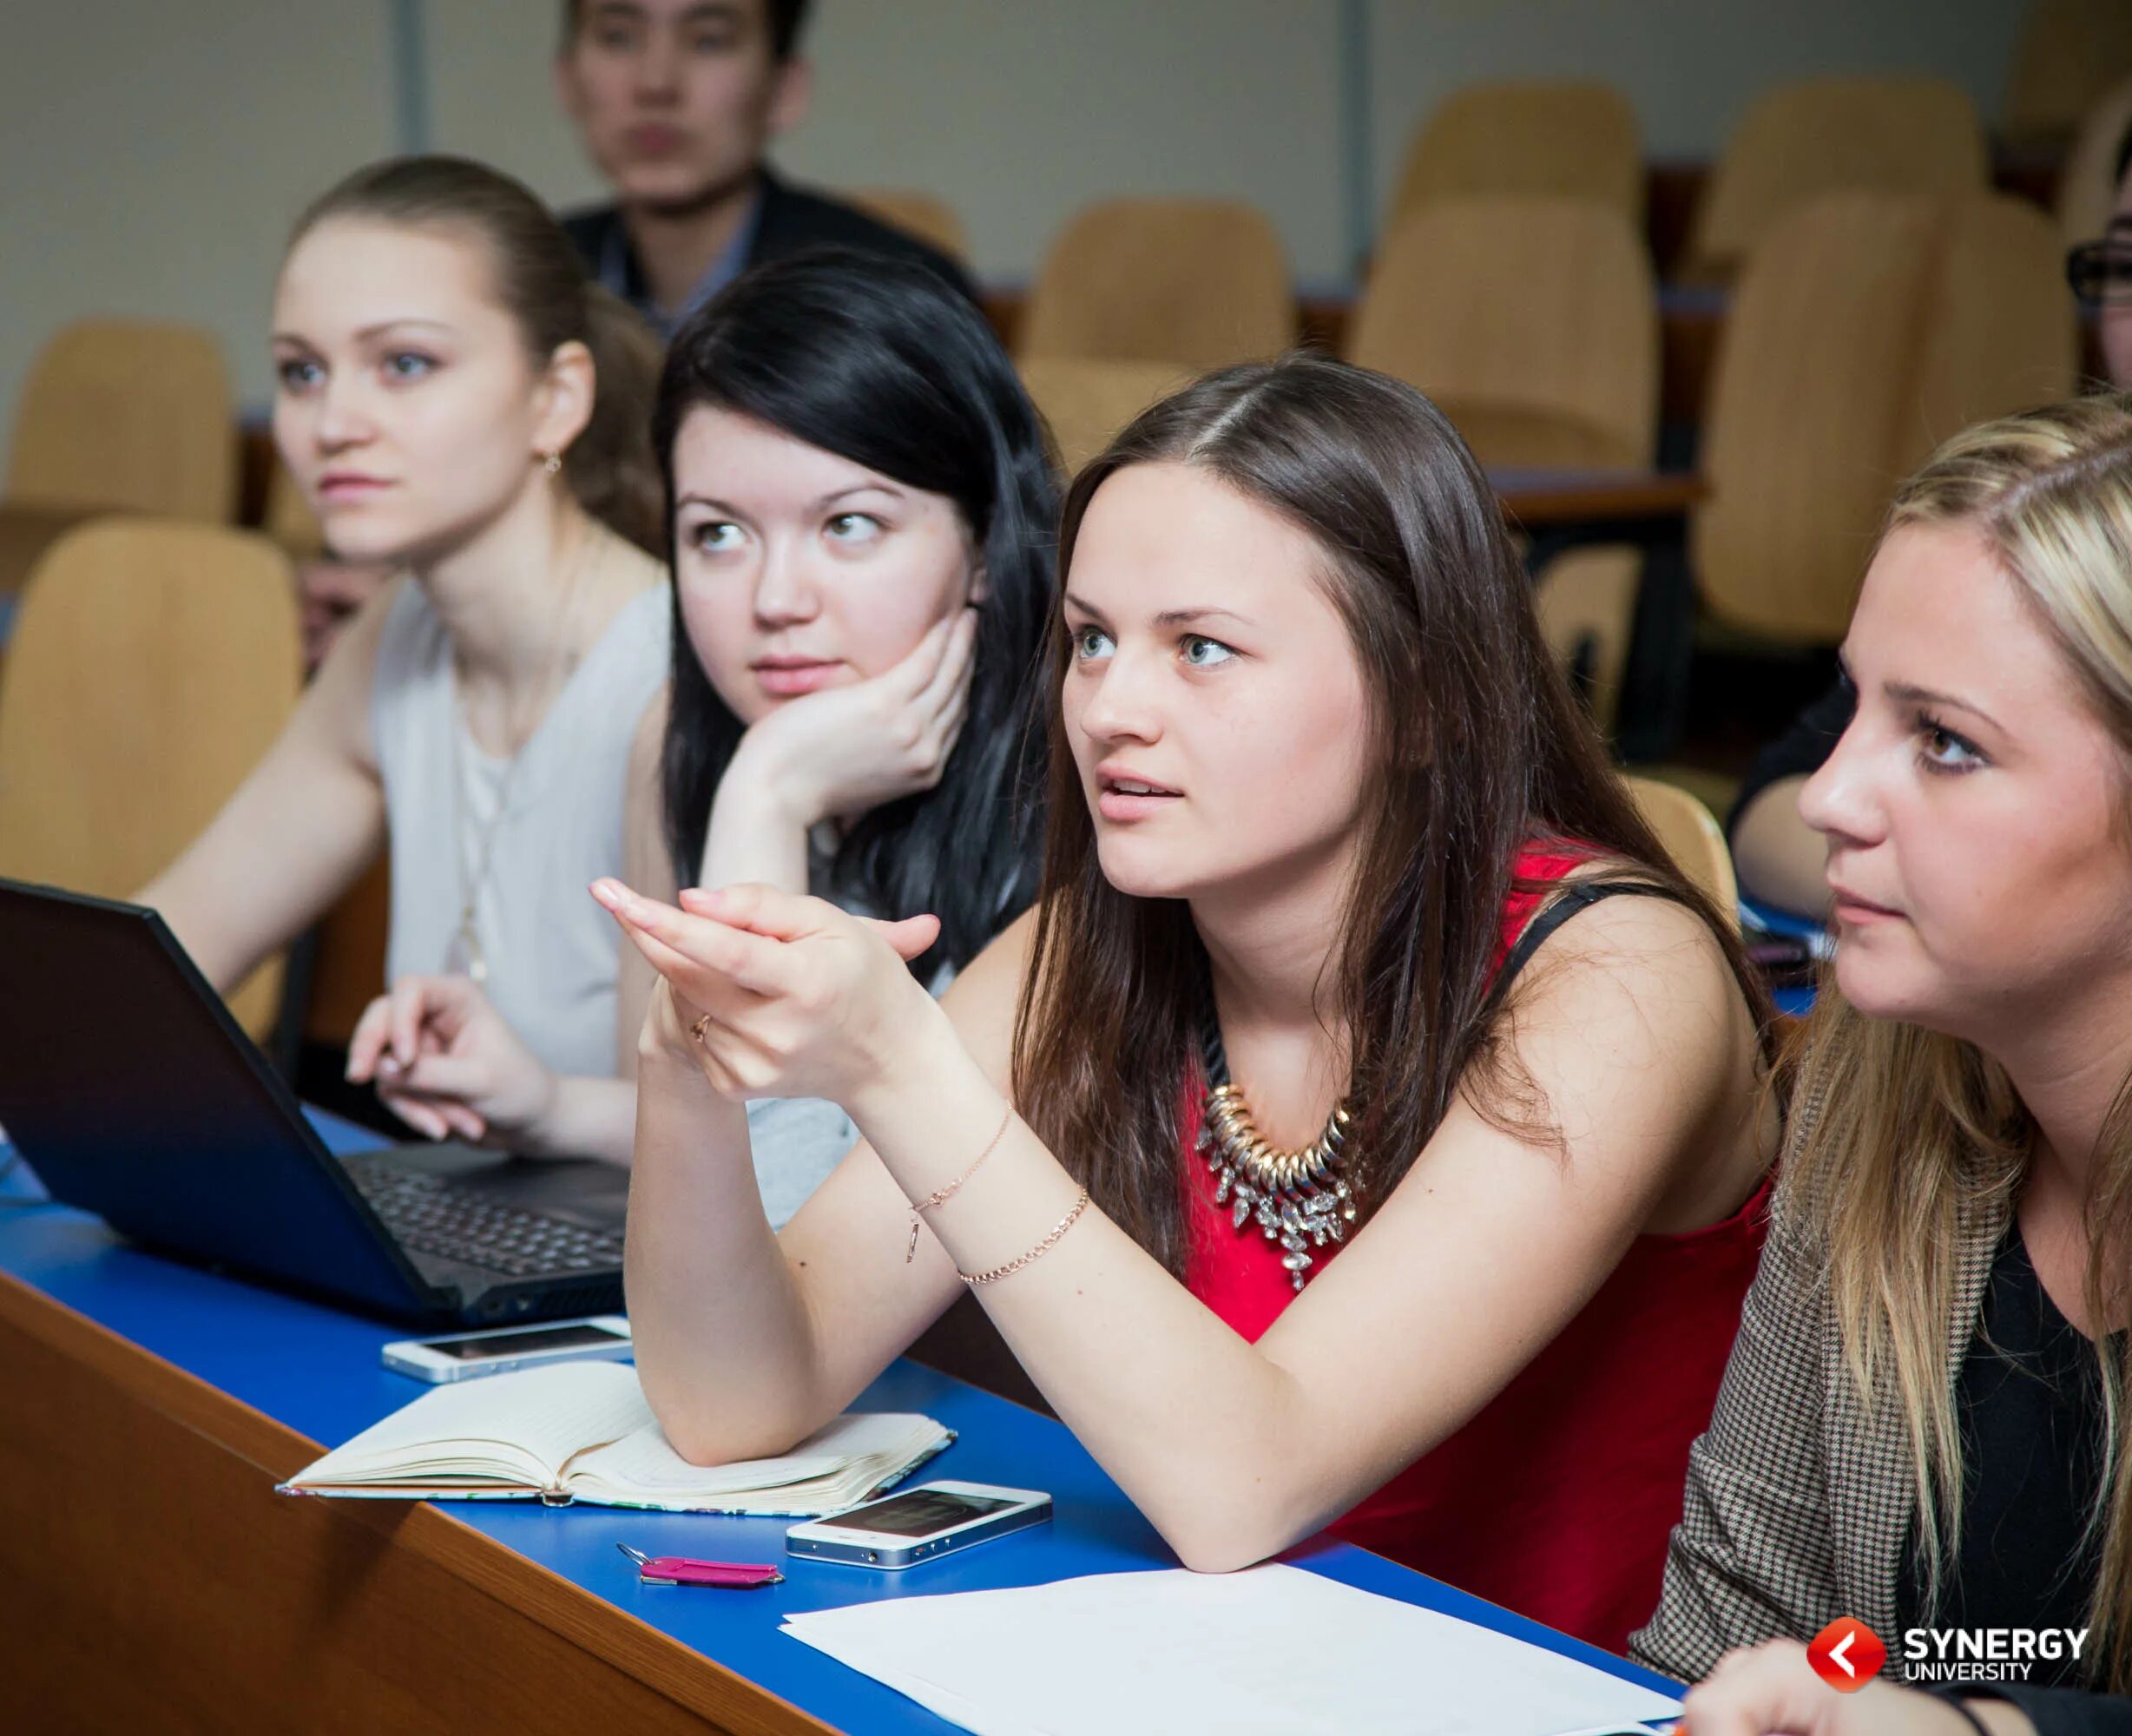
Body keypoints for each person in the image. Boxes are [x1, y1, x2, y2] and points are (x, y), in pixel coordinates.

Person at [596, 353, 1779, 1652]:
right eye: (1093, 639)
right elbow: (733, 1403)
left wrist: (897, 1064)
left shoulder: (1616, 977)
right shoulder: (1090, 950)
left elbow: (1245, 1485)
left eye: (1201, 650)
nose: (1110, 708)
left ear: (1428, 695)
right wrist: (688, 1066)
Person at [1638, 396, 2132, 1735]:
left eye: (1946, 742)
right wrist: (1831, 1693)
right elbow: (1759, 1623)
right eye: (1858, 709)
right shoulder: (1889, 1083)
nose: (1828, 797)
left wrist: (1980, 1729)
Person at [140, 155, 671, 1162]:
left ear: (557, 398)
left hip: (648, 1276)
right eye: (303, 370)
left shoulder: (673, 675)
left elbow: (716, 1140)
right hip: (479, 1219)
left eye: (405, 364)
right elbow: (174, 947)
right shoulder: (396, 631)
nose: (332, 424)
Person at [646, 251, 1055, 1222]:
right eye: (717, 534)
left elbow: (772, 1240)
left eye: (851, 525)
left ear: (987, 544)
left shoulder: (1076, 827)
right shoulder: (700, 749)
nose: (776, 600)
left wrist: (769, 792)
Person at [1728, 117, 2132, 917]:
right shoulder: (2028, 522)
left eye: (1948, 743)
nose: (1831, 802)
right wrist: (1931, 900)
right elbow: (1772, 804)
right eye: (2126, 263)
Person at [556, 0, 977, 339]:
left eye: (708, 41)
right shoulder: (524, 276)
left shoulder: (897, 295)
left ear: (784, 90)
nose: (656, 82)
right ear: (568, 79)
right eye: (618, 37)